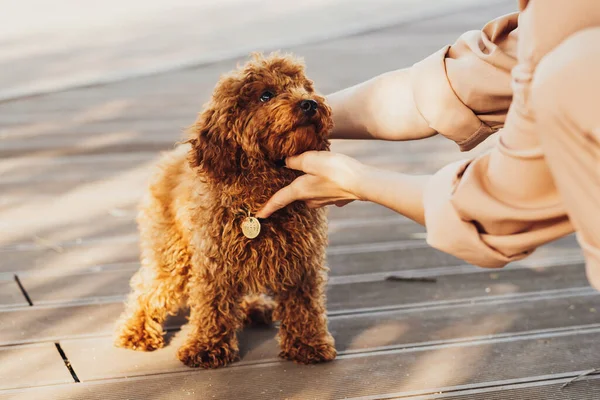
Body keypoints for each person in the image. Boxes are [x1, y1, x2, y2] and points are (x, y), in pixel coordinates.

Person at [256, 0, 600, 289]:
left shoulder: (576, 67)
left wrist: (357, 181)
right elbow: (469, 80)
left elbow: (500, 209)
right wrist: (305, 116)